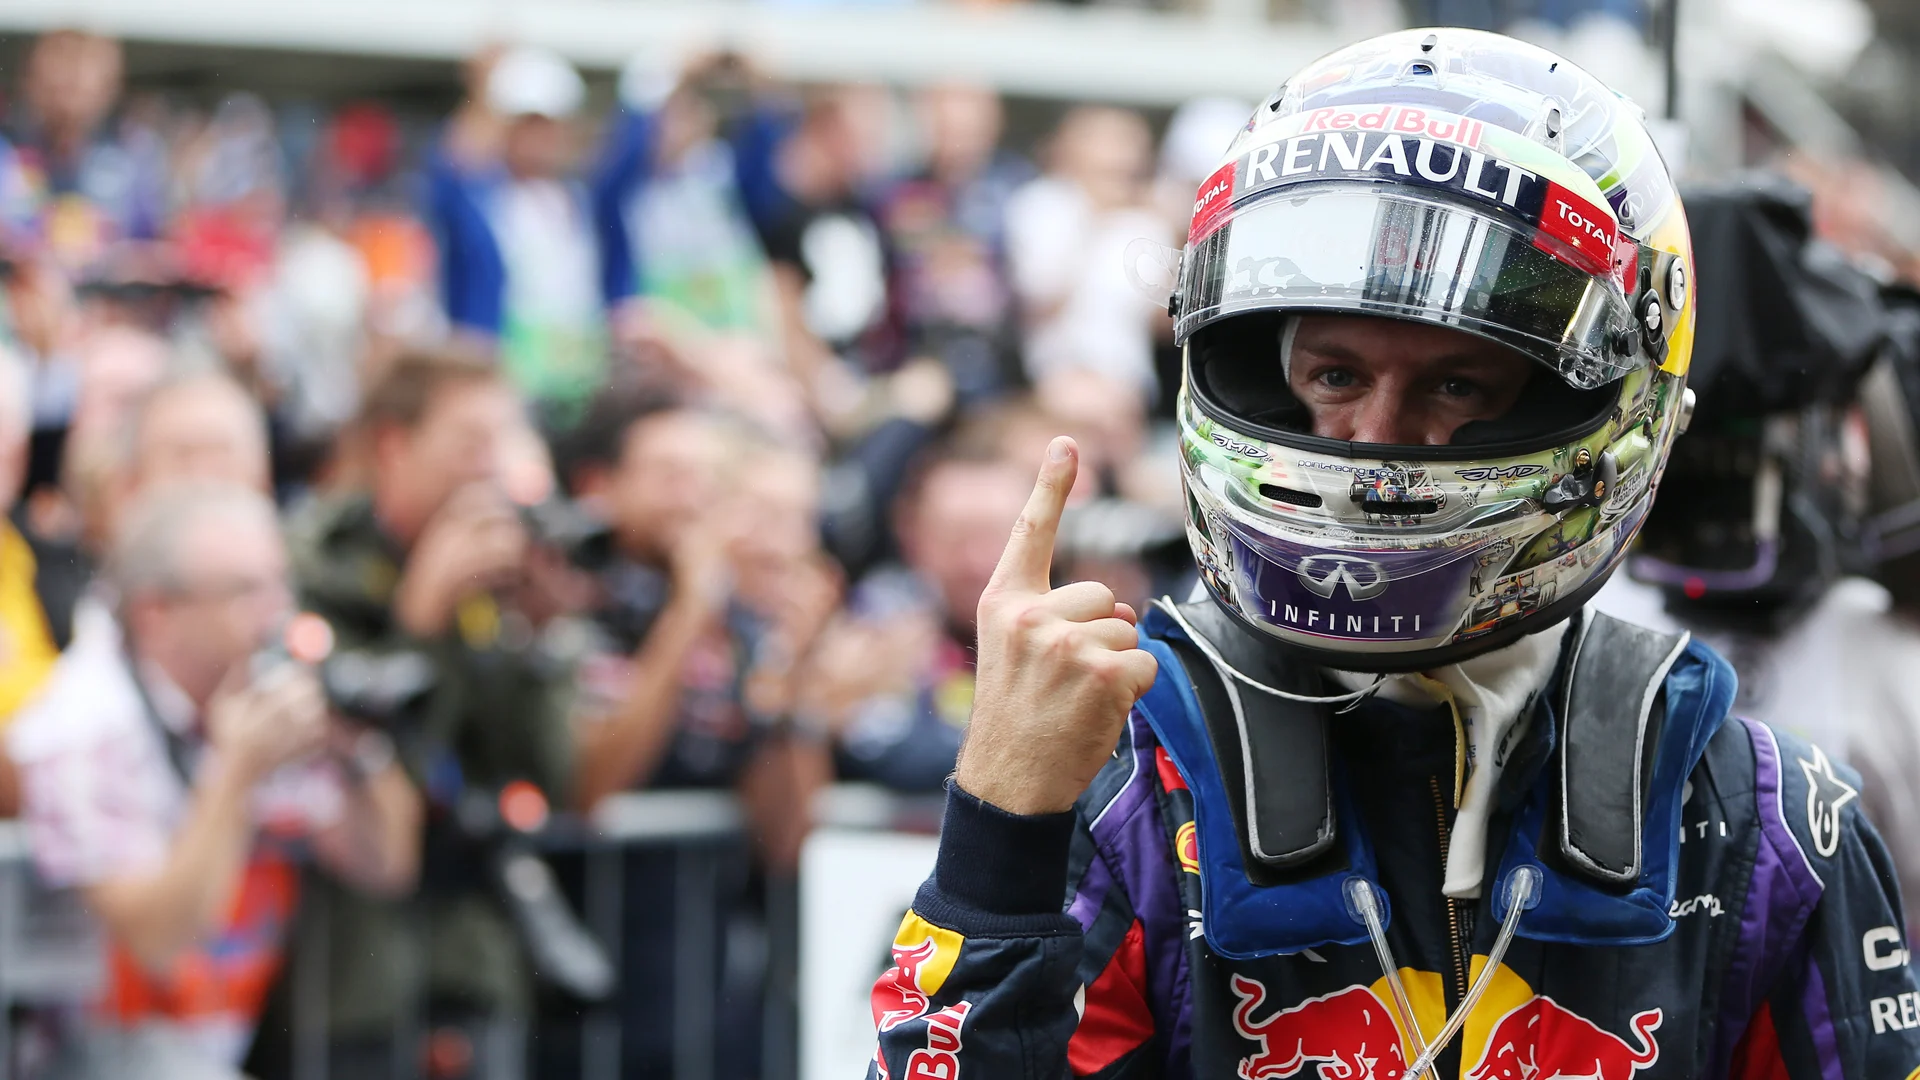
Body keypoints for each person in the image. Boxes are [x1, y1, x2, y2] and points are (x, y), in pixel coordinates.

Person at [870, 29, 1920, 1080]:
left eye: (1455, 386)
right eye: (1332, 374)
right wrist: (999, 827)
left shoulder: (1760, 820)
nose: (1373, 441)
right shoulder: (1128, 786)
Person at [5, 484, 420, 1080]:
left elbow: (386, 866)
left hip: (213, 1052)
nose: (278, 614)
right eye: (247, 591)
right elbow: (158, 942)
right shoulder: (84, 724)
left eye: (282, 585)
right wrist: (234, 775)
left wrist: (361, 744)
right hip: (85, 1055)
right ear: (157, 614)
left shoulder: (263, 695)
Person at [285, 346, 574, 1079]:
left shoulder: (493, 586)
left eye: (501, 443)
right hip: (350, 973)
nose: (489, 469)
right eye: (470, 443)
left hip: (474, 964)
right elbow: (362, 759)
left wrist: (537, 635)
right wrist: (420, 624)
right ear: (393, 443)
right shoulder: (315, 568)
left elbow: (544, 771)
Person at [428, 46, 605, 422]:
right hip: (504, 387)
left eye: (550, 125)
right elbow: (448, 177)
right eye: (528, 124)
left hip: (576, 384)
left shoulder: (579, 200)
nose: (541, 137)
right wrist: (484, 93)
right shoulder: (482, 199)